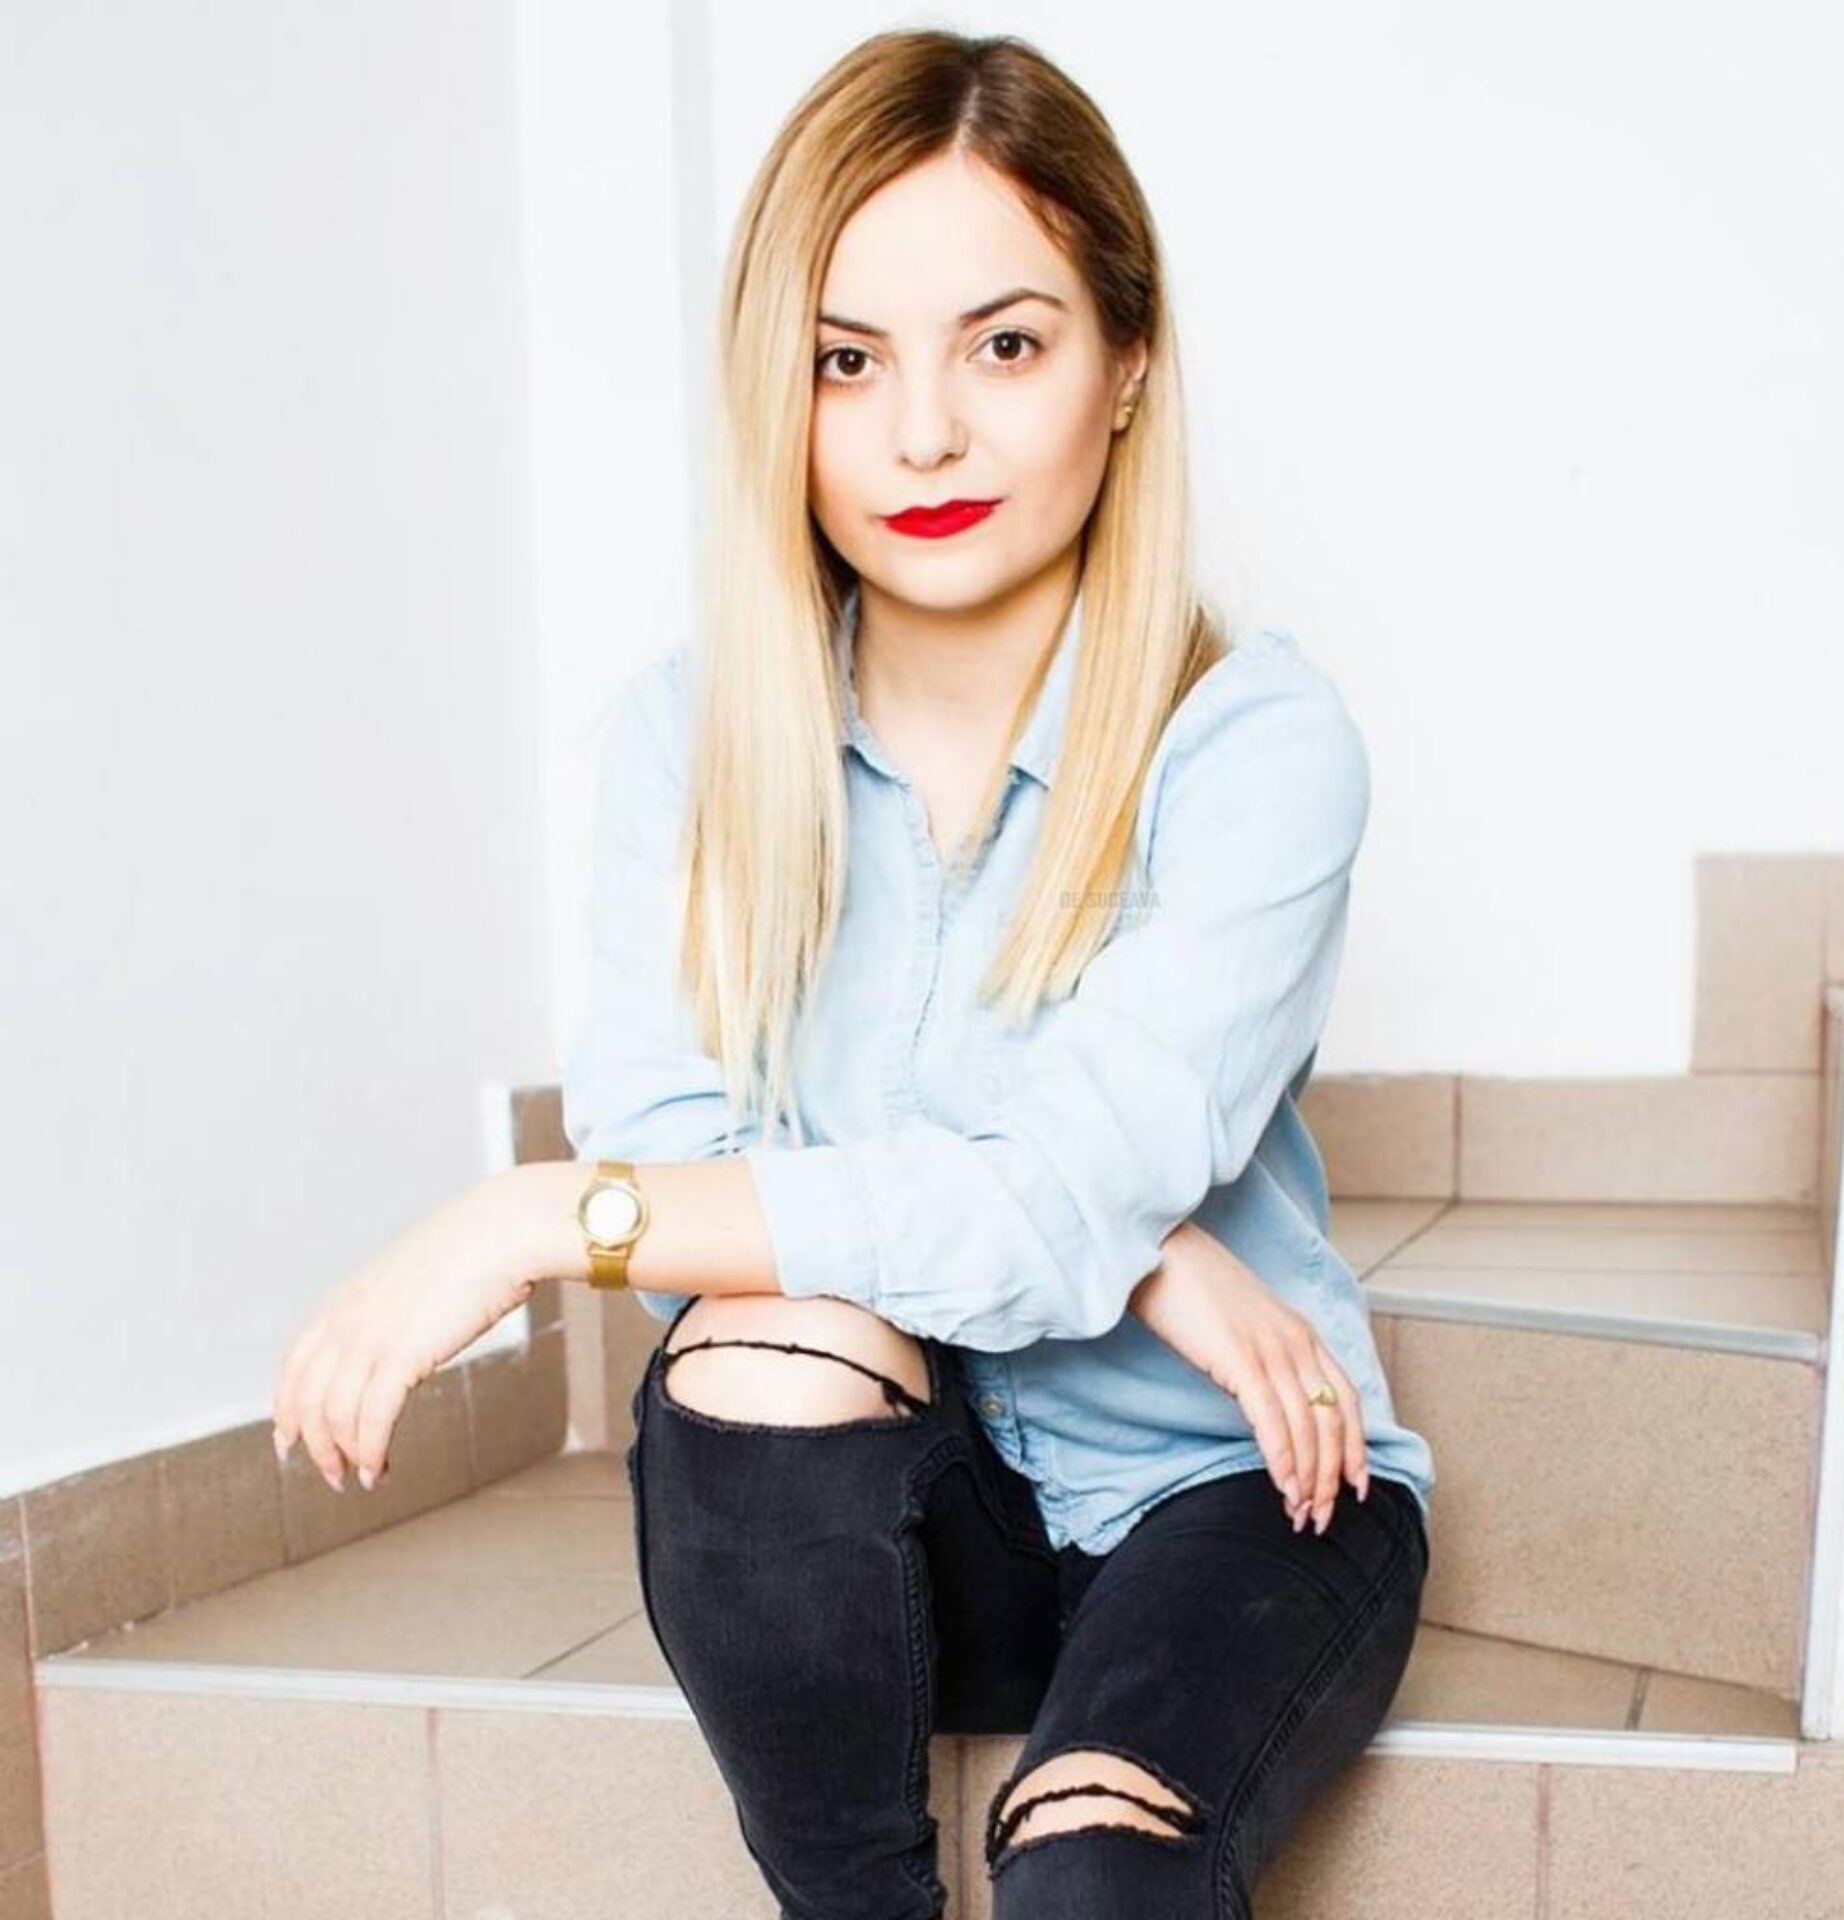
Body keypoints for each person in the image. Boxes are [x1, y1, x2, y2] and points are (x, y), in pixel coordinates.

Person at [272, 27, 1435, 1916]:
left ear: (1128, 362)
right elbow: (699, 1148)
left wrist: (543, 1215)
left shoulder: (1258, 743)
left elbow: (966, 1190)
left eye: (1006, 345)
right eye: (847, 360)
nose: (922, 437)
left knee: (1091, 1872)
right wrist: (1130, 1244)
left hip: (1232, 1492)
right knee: (755, 1358)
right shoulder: (689, 740)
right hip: (888, 1524)